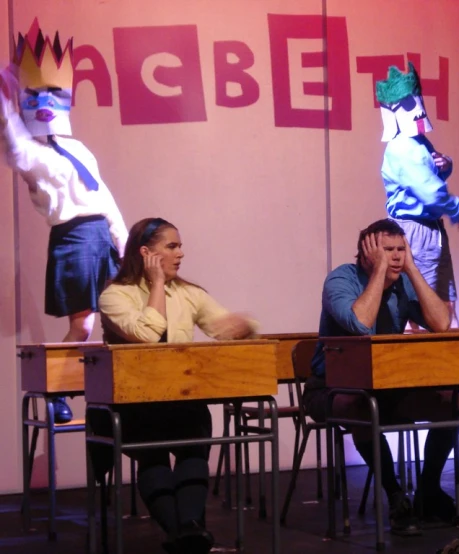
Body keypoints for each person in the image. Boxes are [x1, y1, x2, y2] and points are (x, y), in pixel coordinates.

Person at [302, 218, 459, 536]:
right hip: (330, 388)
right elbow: (360, 325)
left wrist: (411, 269)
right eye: (387, 250)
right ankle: (395, 496)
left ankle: (428, 492)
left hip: (386, 386)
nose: (395, 256)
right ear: (366, 252)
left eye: (400, 249)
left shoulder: (403, 280)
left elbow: (441, 324)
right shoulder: (341, 279)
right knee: (361, 407)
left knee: (451, 402)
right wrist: (379, 272)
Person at [98, 217, 258, 554]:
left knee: (194, 449)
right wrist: (156, 284)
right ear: (146, 253)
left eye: (180, 246)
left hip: (183, 397)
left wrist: (243, 326)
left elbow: (223, 327)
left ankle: (187, 533)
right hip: (135, 401)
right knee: (153, 459)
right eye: (172, 246)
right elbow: (145, 336)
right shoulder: (115, 295)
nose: (181, 253)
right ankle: (186, 533)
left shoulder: (187, 293)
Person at [0, 19, 127, 423]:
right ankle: (58, 389)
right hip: (73, 238)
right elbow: (15, 143)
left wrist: (123, 240)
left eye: (55, 93)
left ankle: (112, 388)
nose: (47, 103)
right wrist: (5, 99)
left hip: (99, 234)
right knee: (84, 324)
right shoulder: (33, 156)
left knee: (122, 315)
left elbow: (103, 195)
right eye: (38, 95)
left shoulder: (78, 148)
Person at [375, 62, 459, 328]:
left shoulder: (418, 142)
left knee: (443, 299)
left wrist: (444, 167)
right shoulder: (402, 147)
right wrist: (457, 207)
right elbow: (428, 192)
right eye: (405, 104)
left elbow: (427, 181)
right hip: (414, 230)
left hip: (430, 229)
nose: (414, 110)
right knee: (420, 301)